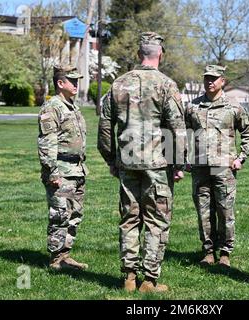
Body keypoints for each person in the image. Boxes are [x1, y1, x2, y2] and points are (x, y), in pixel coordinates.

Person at [97, 32, 187, 293]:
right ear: (160, 54)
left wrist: (111, 158)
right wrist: (179, 164)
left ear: (139, 55)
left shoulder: (118, 85)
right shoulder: (167, 85)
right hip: (157, 166)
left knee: (129, 219)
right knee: (157, 220)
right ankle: (149, 280)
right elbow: (177, 128)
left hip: (127, 163)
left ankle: (128, 277)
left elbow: (104, 127)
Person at [185, 65, 249, 268]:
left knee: (225, 211)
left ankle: (225, 252)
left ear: (222, 81)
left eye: (214, 78)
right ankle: (208, 251)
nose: (210, 82)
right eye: (207, 78)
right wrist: (183, 159)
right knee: (204, 211)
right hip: (200, 168)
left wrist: (241, 157)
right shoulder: (193, 107)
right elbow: (181, 133)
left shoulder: (234, 107)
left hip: (223, 168)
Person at [38, 65, 89, 271]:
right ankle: (56, 259)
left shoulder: (71, 107)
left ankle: (65, 255)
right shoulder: (52, 107)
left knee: (74, 214)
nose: (76, 84)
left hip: (76, 170)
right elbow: (46, 143)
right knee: (60, 214)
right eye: (72, 81)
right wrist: (52, 172)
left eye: (77, 81)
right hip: (61, 170)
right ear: (60, 83)